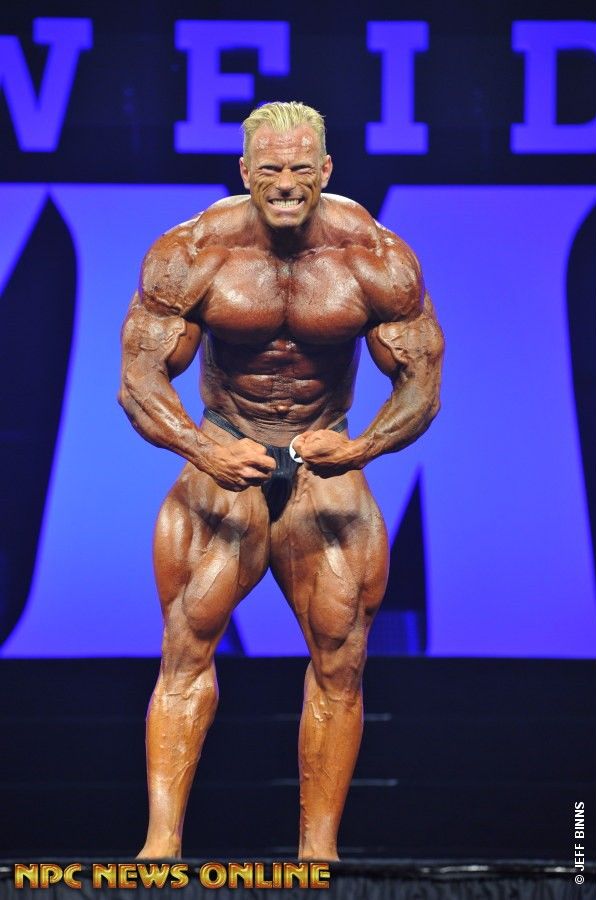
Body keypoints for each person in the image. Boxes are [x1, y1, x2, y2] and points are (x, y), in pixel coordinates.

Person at [119, 101, 444, 861]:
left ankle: (318, 859)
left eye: (301, 168)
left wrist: (361, 448)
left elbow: (423, 386)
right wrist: (203, 450)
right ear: (245, 172)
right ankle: (159, 849)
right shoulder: (192, 251)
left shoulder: (375, 256)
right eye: (270, 168)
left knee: (341, 661)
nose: (287, 183)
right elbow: (139, 380)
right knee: (183, 652)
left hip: (323, 465)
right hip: (224, 454)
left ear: (326, 170)